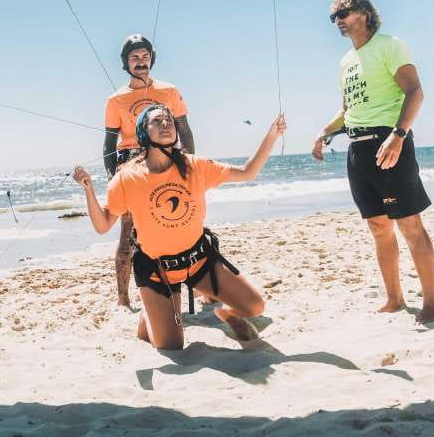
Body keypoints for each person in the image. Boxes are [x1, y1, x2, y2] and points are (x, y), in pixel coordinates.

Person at [74, 104, 285, 350]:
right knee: (171, 346)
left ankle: (226, 315)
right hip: (157, 270)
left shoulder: (194, 165)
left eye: (169, 121)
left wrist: (272, 134)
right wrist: (88, 188)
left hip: (198, 260)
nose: (166, 124)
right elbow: (102, 225)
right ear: (143, 133)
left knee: (255, 306)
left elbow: (248, 172)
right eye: (157, 121)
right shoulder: (127, 177)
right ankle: (149, 314)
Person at [311, 0, 434, 324]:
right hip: (358, 150)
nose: (337, 21)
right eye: (333, 16)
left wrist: (398, 136)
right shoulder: (346, 62)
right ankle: (395, 299)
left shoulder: (389, 45)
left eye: (342, 13)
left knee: (409, 225)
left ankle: (433, 304)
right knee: (377, 226)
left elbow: (415, 92)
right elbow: (350, 110)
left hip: (389, 142)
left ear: (364, 12)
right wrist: (324, 133)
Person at [103, 34, 195, 308]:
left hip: (167, 159)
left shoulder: (169, 90)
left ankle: (185, 285)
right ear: (126, 63)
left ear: (151, 59)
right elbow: (109, 143)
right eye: (134, 58)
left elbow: (185, 130)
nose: (140, 62)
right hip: (132, 164)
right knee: (128, 233)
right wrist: (114, 180)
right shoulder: (115, 99)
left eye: (145, 57)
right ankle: (122, 297)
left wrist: (190, 164)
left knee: (176, 223)